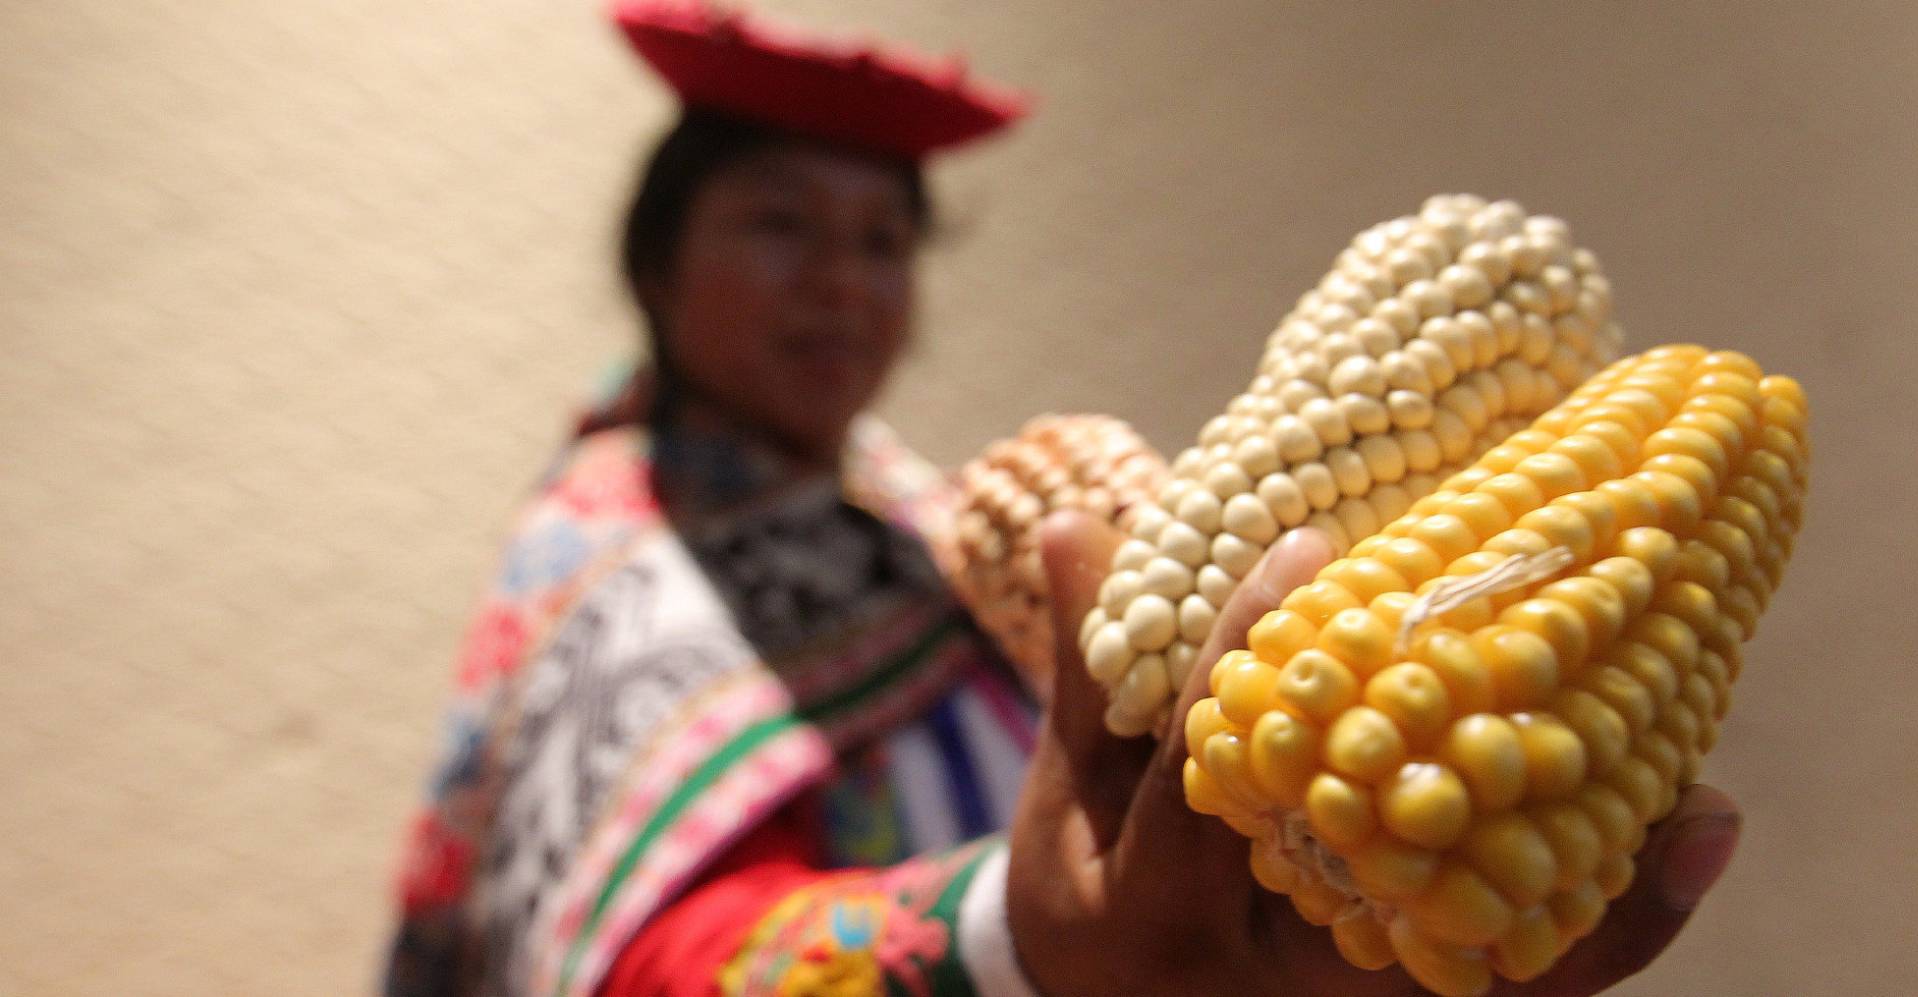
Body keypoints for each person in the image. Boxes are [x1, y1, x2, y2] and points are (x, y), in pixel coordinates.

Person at [384, 3, 1743, 995]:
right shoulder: (617, 558)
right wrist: (1008, 940)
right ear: (657, 263)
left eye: (882, 240)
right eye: (779, 224)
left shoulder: (928, 519)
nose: (843, 283)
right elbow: (648, 961)